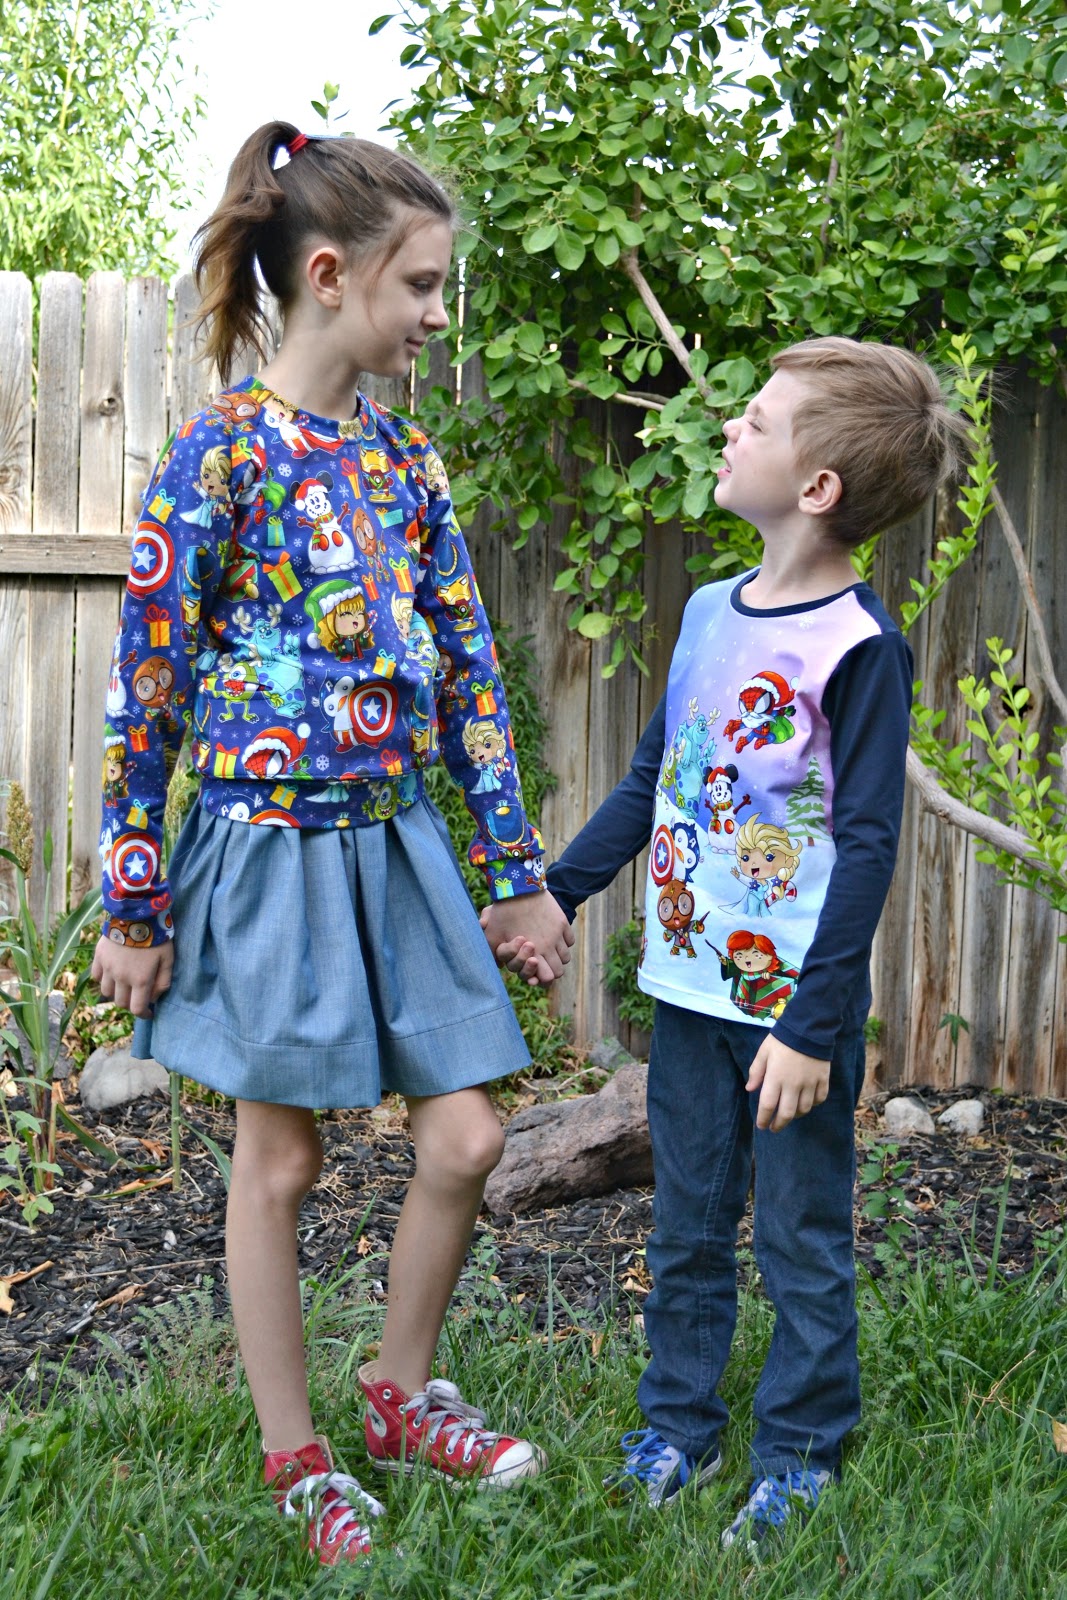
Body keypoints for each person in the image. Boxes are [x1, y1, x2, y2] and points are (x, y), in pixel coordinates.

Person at [91, 121, 573, 1567]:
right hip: (267, 849)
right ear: (327, 276)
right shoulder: (218, 455)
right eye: (420, 286)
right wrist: (131, 898)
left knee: (468, 1133)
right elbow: (147, 689)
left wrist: (513, 876)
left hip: (397, 843)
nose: (436, 315)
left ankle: (397, 1392)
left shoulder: (405, 461)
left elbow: (469, 677)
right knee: (282, 1158)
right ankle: (295, 1455)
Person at [484, 337, 967, 1552]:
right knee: (686, 1223)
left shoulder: (856, 647)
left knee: (799, 1235)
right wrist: (557, 892)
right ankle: (678, 1428)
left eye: (754, 419)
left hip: (790, 1019)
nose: (729, 429)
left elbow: (865, 848)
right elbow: (655, 778)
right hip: (687, 990)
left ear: (815, 486)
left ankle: (799, 1449)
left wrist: (811, 1023)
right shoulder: (709, 611)